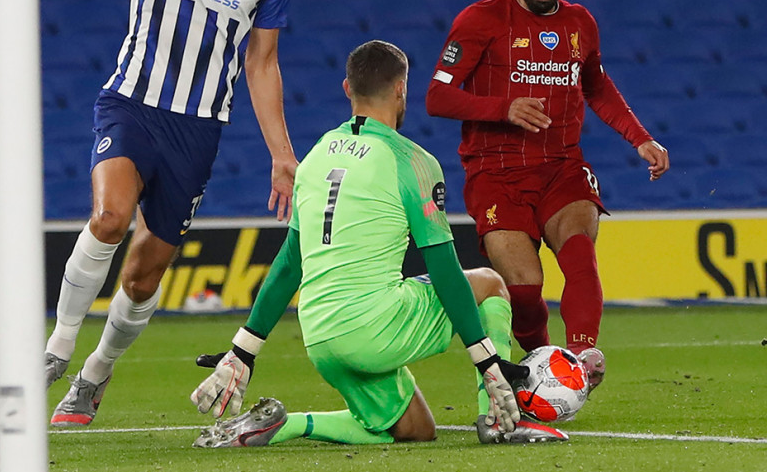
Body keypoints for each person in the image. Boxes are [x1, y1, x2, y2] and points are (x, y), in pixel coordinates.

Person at [0, 0, 298, 426]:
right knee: (109, 217)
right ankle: (57, 347)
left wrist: (281, 153)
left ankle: (94, 375)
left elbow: (261, 63)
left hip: (198, 129)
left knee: (143, 274)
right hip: (131, 103)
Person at [190, 41, 567, 448]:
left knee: (414, 429)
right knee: (490, 283)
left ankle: (281, 425)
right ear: (402, 88)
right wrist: (487, 360)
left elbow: (288, 264)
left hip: (319, 335)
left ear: (347, 88)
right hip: (374, 330)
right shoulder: (411, 160)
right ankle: (497, 418)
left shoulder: (314, 157)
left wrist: (243, 352)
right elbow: (443, 270)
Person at [425, 0, 670, 390]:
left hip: (561, 166)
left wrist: (640, 137)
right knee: (526, 287)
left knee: (579, 255)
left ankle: (580, 356)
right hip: (495, 172)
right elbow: (437, 96)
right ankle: (543, 366)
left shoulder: (581, 24)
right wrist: (504, 108)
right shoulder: (480, 20)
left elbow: (596, 86)